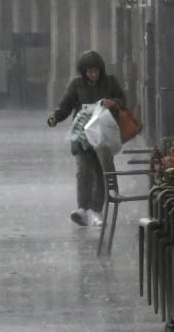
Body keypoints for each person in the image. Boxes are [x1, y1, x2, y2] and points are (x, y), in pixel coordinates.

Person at [46, 50, 127, 227]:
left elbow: (123, 101)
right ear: (84, 72)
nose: (94, 75)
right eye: (90, 72)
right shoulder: (76, 85)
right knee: (83, 171)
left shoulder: (109, 82)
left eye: (96, 71)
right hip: (82, 135)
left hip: (103, 135)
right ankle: (82, 209)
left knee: (100, 173)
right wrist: (55, 118)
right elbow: (65, 105)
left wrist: (113, 102)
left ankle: (97, 211)